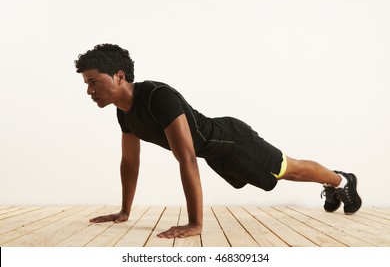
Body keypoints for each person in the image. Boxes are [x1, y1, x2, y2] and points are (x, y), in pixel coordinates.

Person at [74, 44, 362, 239]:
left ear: (119, 76)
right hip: (215, 153)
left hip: (232, 140)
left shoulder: (156, 96)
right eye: (86, 83)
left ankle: (341, 182)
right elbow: (129, 161)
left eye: (94, 81)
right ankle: (336, 183)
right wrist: (125, 211)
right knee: (287, 171)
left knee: (290, 169)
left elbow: (185, 158)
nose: (89, 90)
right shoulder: (125, 113)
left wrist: (195, 224)